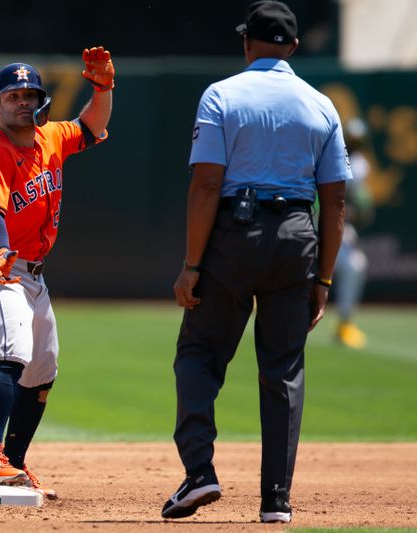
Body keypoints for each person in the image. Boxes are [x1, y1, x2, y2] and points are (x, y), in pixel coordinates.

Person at [162, 1, 349, 524]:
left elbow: (206, 183)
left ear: (247, 44)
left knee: (199, 353)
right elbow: (333, 201)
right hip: (296, 236)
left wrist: (192, 265)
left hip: (233, 235)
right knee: (283, 370)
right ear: (292, 48)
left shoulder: (221, 94)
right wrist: (325, 277)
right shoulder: (321, 105)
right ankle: (277, 500)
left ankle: (200, 472)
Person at [0, 48, 114, 499]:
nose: (23, 102)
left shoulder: (51, 137)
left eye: (30, 95)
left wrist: (103, 87)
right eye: (13, 96)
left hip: (33, 275)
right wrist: (2, 247)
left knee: (43, 369)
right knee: (14, 351)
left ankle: (15, 463)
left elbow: (91, 127)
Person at [333, 118, 374, 348]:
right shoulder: (327, 154)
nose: (354, 144)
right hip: (310, 225)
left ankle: (344, 324)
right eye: (352, 139)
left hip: (338, 229)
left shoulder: (360, 166)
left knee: (355, 266)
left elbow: (361, 209)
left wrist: (359, 209)